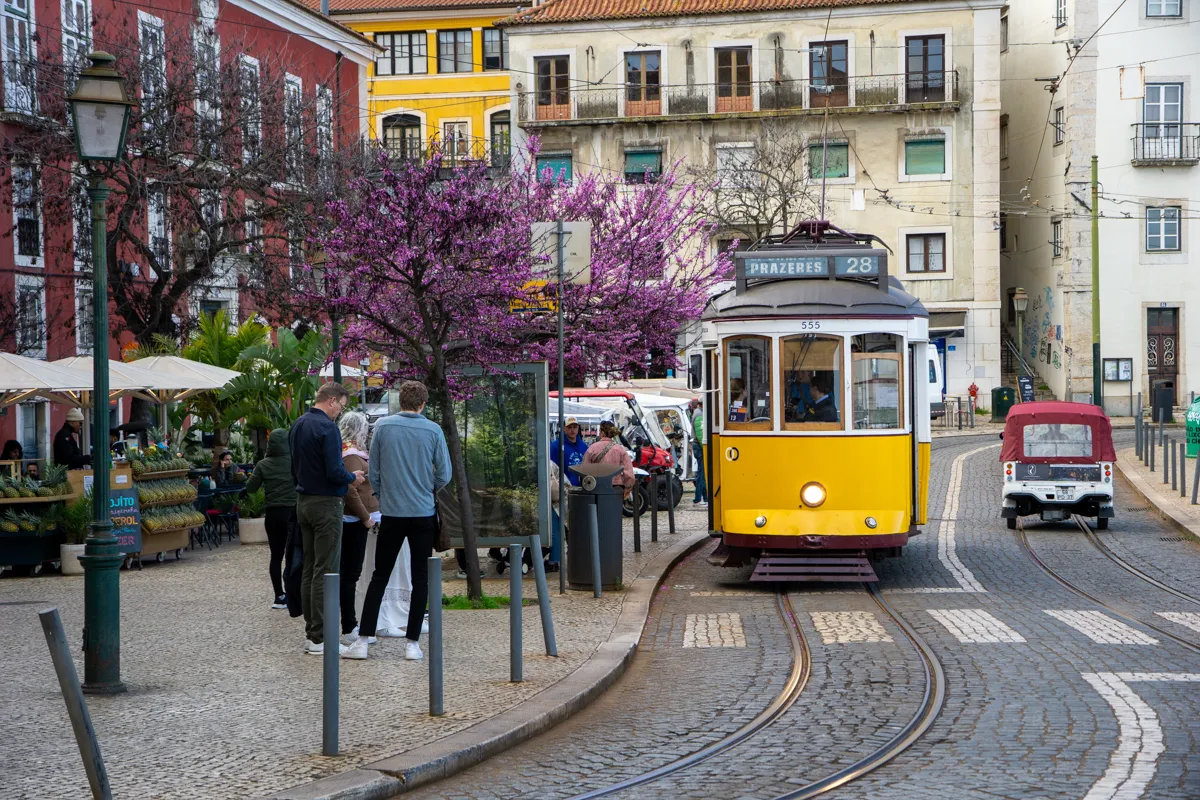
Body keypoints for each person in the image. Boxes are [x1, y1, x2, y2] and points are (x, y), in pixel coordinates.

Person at [344, 380, 451, 661]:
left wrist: (383, 493)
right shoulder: (433, 430)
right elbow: (445, 473)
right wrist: (428, 488)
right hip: (422, 513)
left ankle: (364, 639)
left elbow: (374, 470)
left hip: (391, 513)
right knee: (420, 578)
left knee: (380, 574)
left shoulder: (384, 428)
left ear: (400, 400)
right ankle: (412, 643)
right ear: (423, 403)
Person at [290, 382, 364, 656]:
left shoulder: (298, 424)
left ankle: (312, 634)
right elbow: (335, 471)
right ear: (332, 401)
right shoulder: (328, 428)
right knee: (327, 570)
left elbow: (293, 468)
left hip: (303, 502)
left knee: (310, 568)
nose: (339, 412)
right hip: (326, 504)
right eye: (341, 406)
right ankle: (322, 638)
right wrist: (351, 478)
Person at [245, 428, 297, 610]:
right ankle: (293, 594)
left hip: (273, 514)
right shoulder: (295, 461)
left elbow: (250, 488)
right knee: (293, 554)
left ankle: (278, 596)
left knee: (276, 556)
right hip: (293, 512)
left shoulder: (263, 465)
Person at [337, 411, 378, 641]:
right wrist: (365, 517)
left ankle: (350, 624)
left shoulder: (348, 451)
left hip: (354, 518)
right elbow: (350, 491)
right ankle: (349, 626)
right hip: (352, 520)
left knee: (350, 574)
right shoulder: (351, 454)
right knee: (350, 574)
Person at [582, 421, 635, 499]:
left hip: (596, 488)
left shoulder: (592, 448)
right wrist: (628, 488)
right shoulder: (620, 450)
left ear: (602, 433)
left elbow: (584, 469)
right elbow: (629, 474)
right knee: (613, 510)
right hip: (616, 489)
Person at [550, 417, 590, 488]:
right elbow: (553, 467)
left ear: (578, 428)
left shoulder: (583, 445)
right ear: (564, 428)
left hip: (583, 486)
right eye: (569, 427)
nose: (572, 430)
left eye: (574, 427)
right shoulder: (557, 446)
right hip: (565, 487)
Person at [689, 399, 707, 507]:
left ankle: (705, 497)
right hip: (699, 447)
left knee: (702, 472)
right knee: (701, 473)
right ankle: (698, 498)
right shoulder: (700, 414)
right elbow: (700, 435)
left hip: (696, 445)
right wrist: (705, 448)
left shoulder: (697, 412)